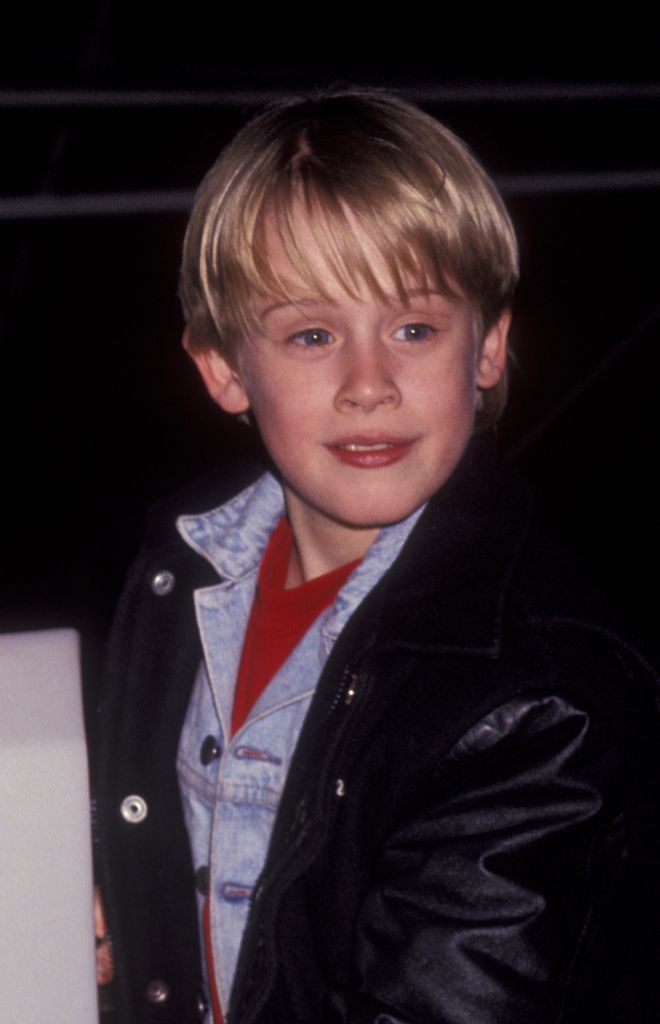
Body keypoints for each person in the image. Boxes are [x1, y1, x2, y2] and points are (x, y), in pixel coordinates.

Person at [96, 90, 660, 1024]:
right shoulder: (181, 567)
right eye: (313, 335)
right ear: (224, 367)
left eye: (414, 329)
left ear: (488, 346)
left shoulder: (542, 692)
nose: (369, 384)